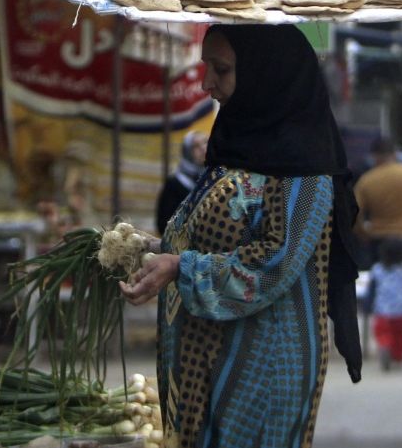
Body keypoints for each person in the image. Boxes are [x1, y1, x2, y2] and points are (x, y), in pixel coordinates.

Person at [119, 24, 362, 448]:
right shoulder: (233, 148)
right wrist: (152, 249)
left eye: (222, 69)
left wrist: (180, 266)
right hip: (206, 357)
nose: (206, 82)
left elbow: (275, 262)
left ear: (267, 73)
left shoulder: (305, 172)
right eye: (205, 66)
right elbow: (216, 237)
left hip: (262, 367)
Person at [353, 136, 402, 268]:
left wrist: (363, 234)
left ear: (373, 156)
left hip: (379, 239)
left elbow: (355, 212)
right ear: (395, 153)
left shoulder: (367, 180)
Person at [362, 238, 402, 371]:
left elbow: (371, 290)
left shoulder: (377, 269)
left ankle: (384, 345)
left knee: (382, 332)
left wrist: (367, 305)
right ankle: (397, 357)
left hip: (382, 308)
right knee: (399, 334)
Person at [155, 131, 208, 235]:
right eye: (196, 146)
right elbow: (163, 225)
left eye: (205, 142)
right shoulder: (175, 183)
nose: (203, 148)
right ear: (187, 151)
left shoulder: (214, 179)